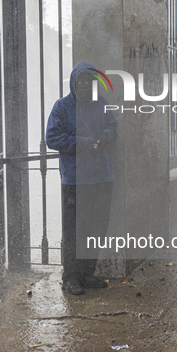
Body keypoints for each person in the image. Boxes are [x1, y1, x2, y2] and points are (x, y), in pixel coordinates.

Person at [46, 61, 117, 295]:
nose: (85, 85)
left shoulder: (102, 104)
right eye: (81, 81)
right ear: (73, 83)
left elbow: (113, 127)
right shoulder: (62, 107)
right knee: (74, 231)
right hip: (76, 180)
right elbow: (53, 138)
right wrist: (83, 143)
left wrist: (105, 135)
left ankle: (88, 273)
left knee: (96, 228)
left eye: (89, 81)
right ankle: (71, 277)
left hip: (101, 177)